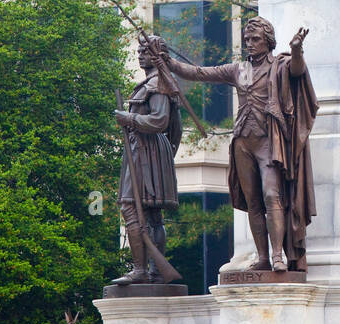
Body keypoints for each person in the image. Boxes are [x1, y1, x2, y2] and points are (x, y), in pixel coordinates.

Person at [156, 18, 317, 273]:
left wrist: (297, 49)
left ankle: (278, 256)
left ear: (268, 41)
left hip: (268, 142)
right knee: (253, 202)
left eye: (255, 39)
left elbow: (298, 71)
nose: (250, 44)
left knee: (272, 195)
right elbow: (198, 73)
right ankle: (263, 256)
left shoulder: (280, 66)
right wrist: (168, 62)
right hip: (243, 142)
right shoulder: (237, 70)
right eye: (247, 40)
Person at [111, 34, 182, 286]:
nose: (140, 55)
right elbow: (175, 132)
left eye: (145, 51)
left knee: (132, 207)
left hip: (146, 150)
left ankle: (142, 270)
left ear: (157, 55)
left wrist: (128, 120)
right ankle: (152, 271)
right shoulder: (154, 82)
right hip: (147, 151)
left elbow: (161, 121)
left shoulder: (158, 84)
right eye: (139, 51)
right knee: (151, 215)